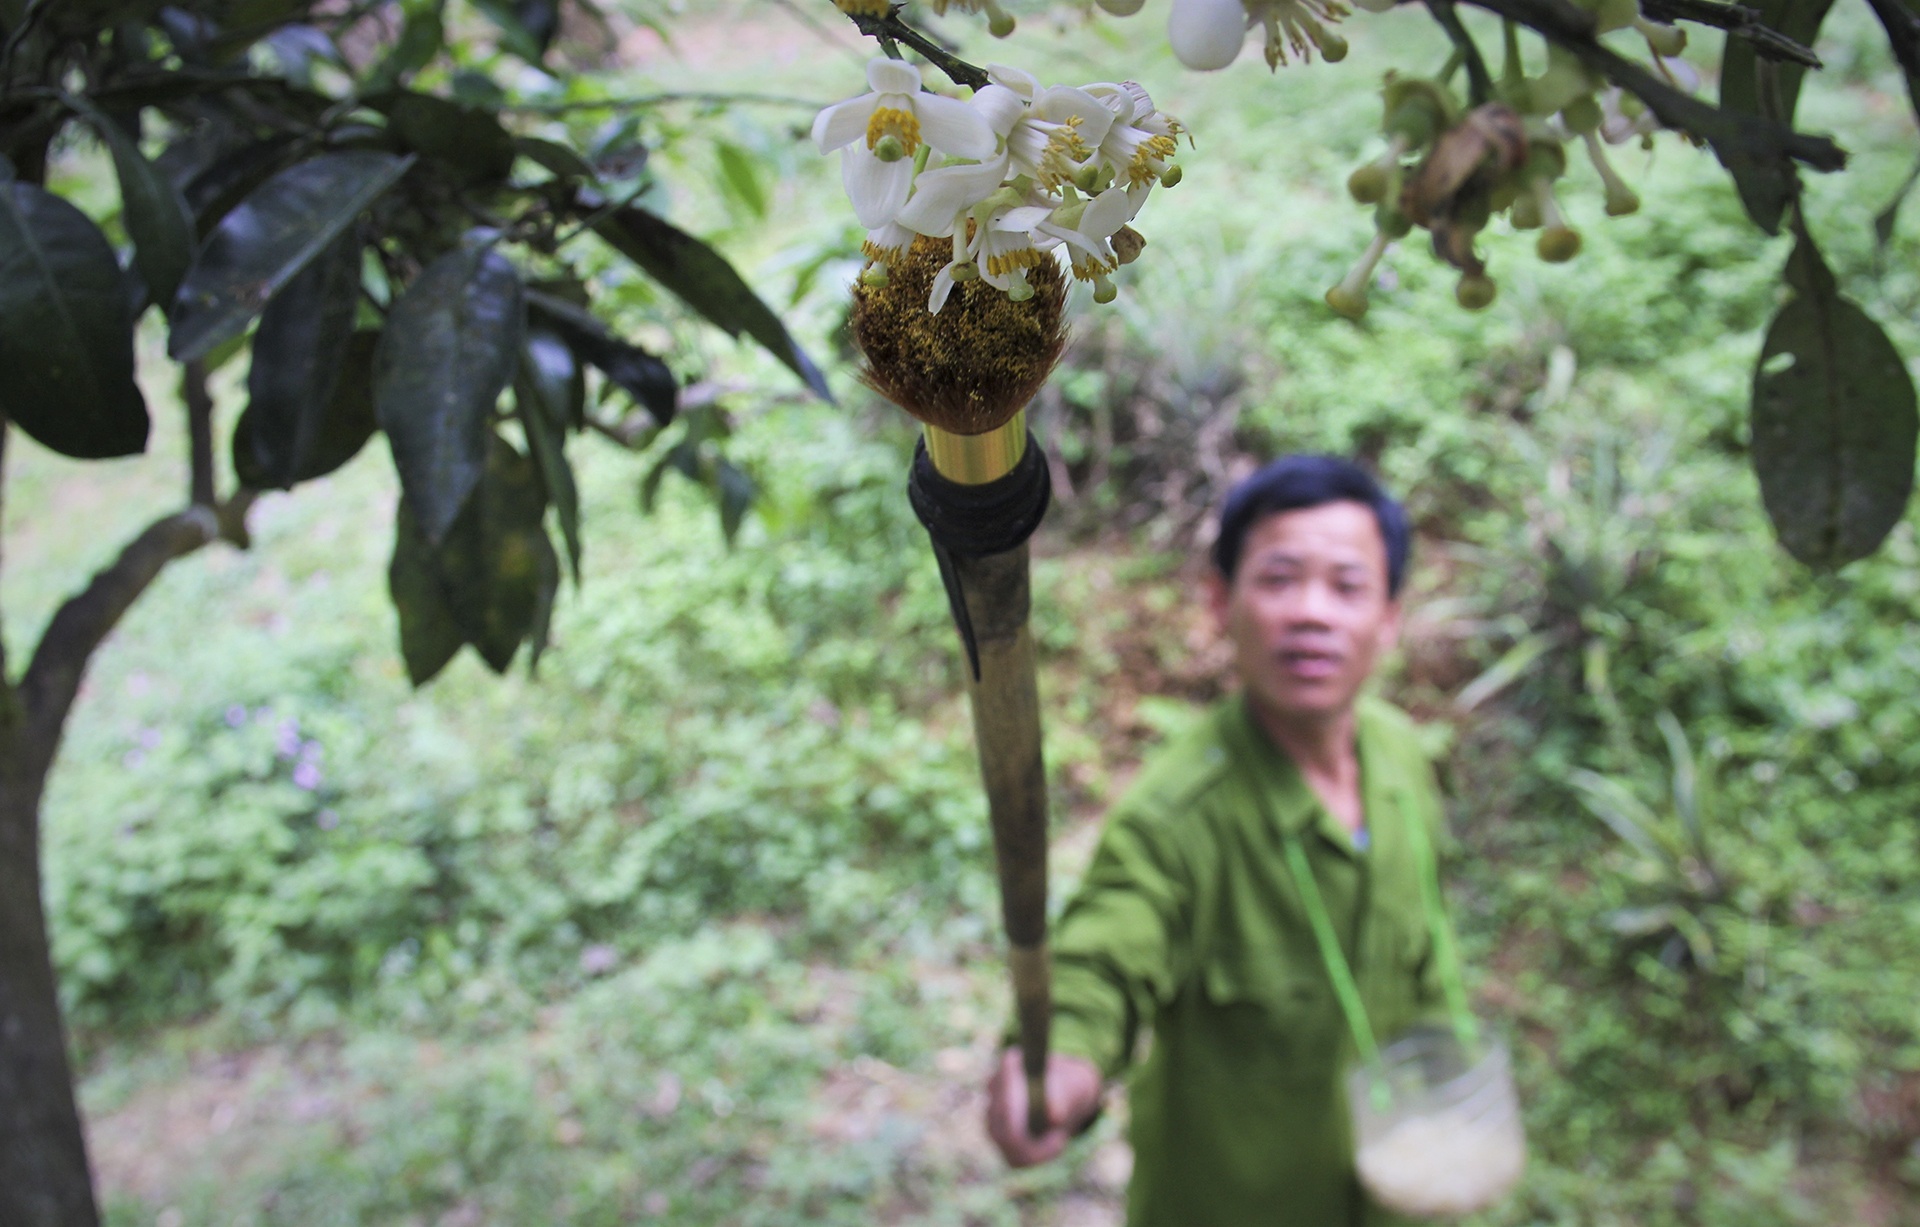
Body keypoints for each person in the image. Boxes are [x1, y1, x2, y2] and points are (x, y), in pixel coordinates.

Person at [984, 455, 1461, 1226]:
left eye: (1346, 585)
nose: (1312, 611)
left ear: (1390, 617)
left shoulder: (1403, 759)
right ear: (1219, 601)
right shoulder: (1178, 817)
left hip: (1402, 1195)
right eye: (1278, 578)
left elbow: (1430, 955)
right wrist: (1061, 1056)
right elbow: (1106, 950)